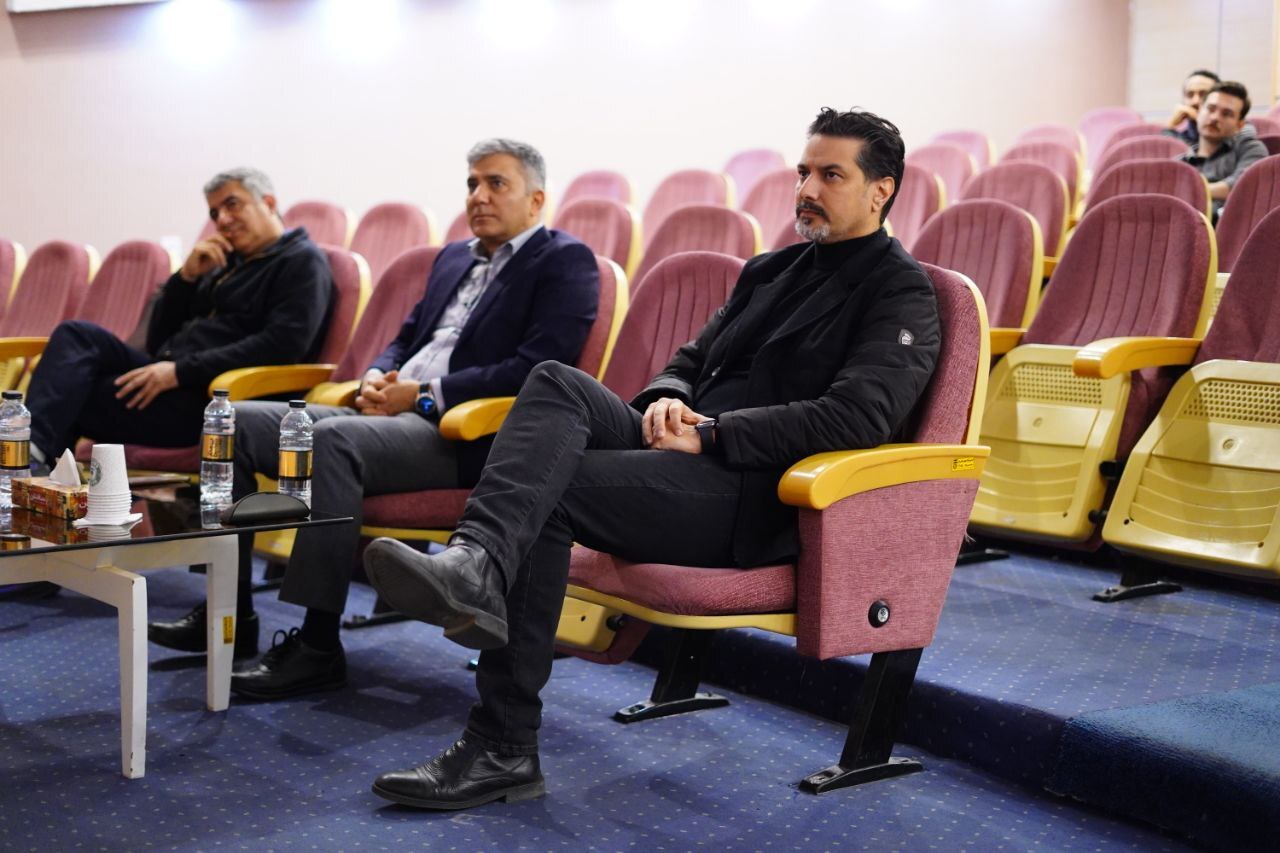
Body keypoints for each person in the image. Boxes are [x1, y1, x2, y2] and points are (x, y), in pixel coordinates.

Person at [359, 107, 942, 811]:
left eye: (831, 175)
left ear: (881, 190)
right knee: (555, 381)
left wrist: (715, 433)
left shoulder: (899, 290)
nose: (807, 189)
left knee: (548, 489)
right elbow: (689, 360)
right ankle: (476, 564)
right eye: (803, 172)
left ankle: (500, 740)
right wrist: (669, 397)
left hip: (753, 490)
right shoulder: (772, 269)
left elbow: (855, 418)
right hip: (683, 454)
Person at [148, 139, 600, 684]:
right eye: (472, 183)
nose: (478, 195)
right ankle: (228, 612)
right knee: (233, 422)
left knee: (333, 442)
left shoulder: (564, 261)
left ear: (536, 200)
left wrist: (425, 394)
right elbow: (405, 338)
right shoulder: (454, 257)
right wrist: (374, 376)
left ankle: (317, 645)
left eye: (495, 183)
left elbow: (537, 370)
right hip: (392, 417)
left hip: (464, 434)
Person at [27, 167, 334, 473]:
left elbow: (282, 345)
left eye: (232, 204)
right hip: (169, 380)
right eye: (215, 213)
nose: (222, 220)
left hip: (212, 398)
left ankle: (28, 464)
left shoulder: (302, 261)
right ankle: (34, 462)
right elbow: (158, 340)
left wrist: (180, 372)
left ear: (268, 203)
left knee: (69, 393)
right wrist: (185, 278)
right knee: (76, 337)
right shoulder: (225, 263)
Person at [1178, 81, 1268, 214]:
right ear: (1199, 111)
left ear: (1240, 125)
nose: (1215, 117)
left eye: (1226, 114)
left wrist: (1188, 192)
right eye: (1211, 109)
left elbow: (1243, 186)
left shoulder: (1251, 148)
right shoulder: (1180, 162)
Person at [1162, 69, 1219, 146]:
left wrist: (1201, 121)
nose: (1195, 101)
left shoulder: (1228, 136)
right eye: (1190, 95)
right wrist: (1170, 126)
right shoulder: (1179, 137)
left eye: (1203, 94)